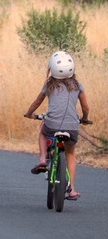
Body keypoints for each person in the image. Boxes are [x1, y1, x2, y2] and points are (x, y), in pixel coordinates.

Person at [24, 51, 90, 200]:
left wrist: (29, 114)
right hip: (72, 127)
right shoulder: (78, 85)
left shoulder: (49, 85)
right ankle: (71, 189)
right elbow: (85, 108)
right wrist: (85, 118)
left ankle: (42, 159)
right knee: (70, 154)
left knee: (42, 131)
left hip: (52, 125)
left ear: (51, 69)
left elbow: (37, 102)